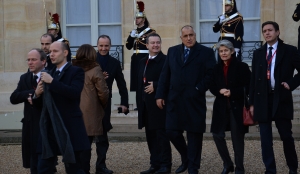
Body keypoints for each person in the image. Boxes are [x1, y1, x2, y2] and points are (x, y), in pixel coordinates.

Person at [156, 25, 216, 174]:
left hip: (194, 101)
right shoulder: (172, 51)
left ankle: (193, 168)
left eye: (191, 35)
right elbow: (165, 75)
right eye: (186, 36)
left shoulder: (206, 52)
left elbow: (211, 75)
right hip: (174, 100)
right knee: (171, 131)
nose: (189, 38)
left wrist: (198, 89)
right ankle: (186, 157)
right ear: (181, 37)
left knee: (194, 135)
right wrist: (159, 95)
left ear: (195, 35)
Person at [249, 21, 300, 174]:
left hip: (281, 99)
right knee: (265, 140)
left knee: (286, 137)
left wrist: (290, 84)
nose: (267, 33)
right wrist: (251, 103)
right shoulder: (258, 53)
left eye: (270, 30)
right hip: (262, 100)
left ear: (277, 32)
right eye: (264, 31)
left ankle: (292, 168)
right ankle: (270, 170)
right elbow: (253, 80)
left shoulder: (290, 51)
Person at [38, 41, 90, 173]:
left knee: (74, 167)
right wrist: (36, 94)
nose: (51, 54)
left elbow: (74, 93)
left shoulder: (76, 71)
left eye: (55, 51)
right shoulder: (50, 72)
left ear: (65, 53)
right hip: (51, 127)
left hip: (70, 126)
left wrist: (52, 82)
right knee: (44, 166)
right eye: (50, 52)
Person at [209, 40, 251, 174]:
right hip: (221, 106)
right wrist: (219, 91)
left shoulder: (242, 67)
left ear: (232, 51)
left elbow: (248, 87)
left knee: (237, 138)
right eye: (221, 51)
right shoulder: (216, 68)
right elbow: (212, 86)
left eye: (226, 50)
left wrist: (232, 92)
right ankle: (228, 164)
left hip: (237, 107)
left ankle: (239, 168)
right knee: (217, 135)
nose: (223, 53)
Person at [137, 33, 172, 174]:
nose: (155, 45)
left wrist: (156, 85)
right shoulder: (142, 61)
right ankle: (154, 164)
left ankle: (165, 165)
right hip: (146, 105)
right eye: (152, 43)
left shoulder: (165, 60)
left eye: (158, 42)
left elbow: (171, 79)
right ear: (147, 45)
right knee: (150, 136)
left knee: (161, 136)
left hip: (159, 105)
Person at [72, 44, 109, 174]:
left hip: (73, 110)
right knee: (87, 143)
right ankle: (86, 170)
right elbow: (103, 93)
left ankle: (78, 169)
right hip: (90, 111)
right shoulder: (95, 68)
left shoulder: (71, 68)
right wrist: (101, 106)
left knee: (77, 144)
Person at [96, 35, 129, 174]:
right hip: (88, 103)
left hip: (105, 104)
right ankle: (81, 166)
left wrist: (124, 103)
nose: (103, 48)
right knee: (85, 135)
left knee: (103, 135)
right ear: (97, 46)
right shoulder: (90, 61)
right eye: (101, 45)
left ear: (110, 46)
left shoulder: (115, 63)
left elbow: (122, 85)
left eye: (106, 46)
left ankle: (100, 166)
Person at [10, 48, 46, 173]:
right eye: (28, 60)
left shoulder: (50, 77)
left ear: (43, 62)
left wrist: (35, 98)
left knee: (44, 163)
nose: (30, 62)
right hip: (29, 126)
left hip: (45, 126)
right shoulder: (24, 78)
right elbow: (13, 98)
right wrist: (32, 94)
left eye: (34, 60)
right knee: (33, 164)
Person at [126, 1, 156, 92]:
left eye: (138, 18)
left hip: (145, 57)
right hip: (135, 58)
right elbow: (128, 46)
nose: (136, 19)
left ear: (143, 19)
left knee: (144, 80)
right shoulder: (134, 32)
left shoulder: (150, 32)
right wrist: (131, 36)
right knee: (135, 81)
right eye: (136, 18)